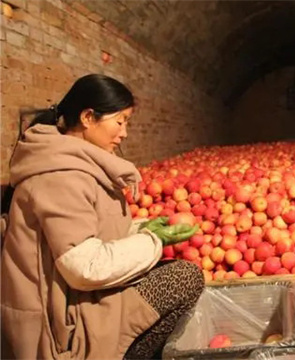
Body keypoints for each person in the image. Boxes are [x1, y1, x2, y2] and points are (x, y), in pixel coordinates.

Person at [1, 74, 204, 359]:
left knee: (169, 269)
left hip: (77, 297)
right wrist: (151, 240)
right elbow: (84, 267)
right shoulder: (60, 176)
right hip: (63, 322)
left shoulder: (69, 161)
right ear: (87, 118)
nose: (124, 133)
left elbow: (90, 233)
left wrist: (141, 229)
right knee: (185, 278)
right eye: (120, 121)